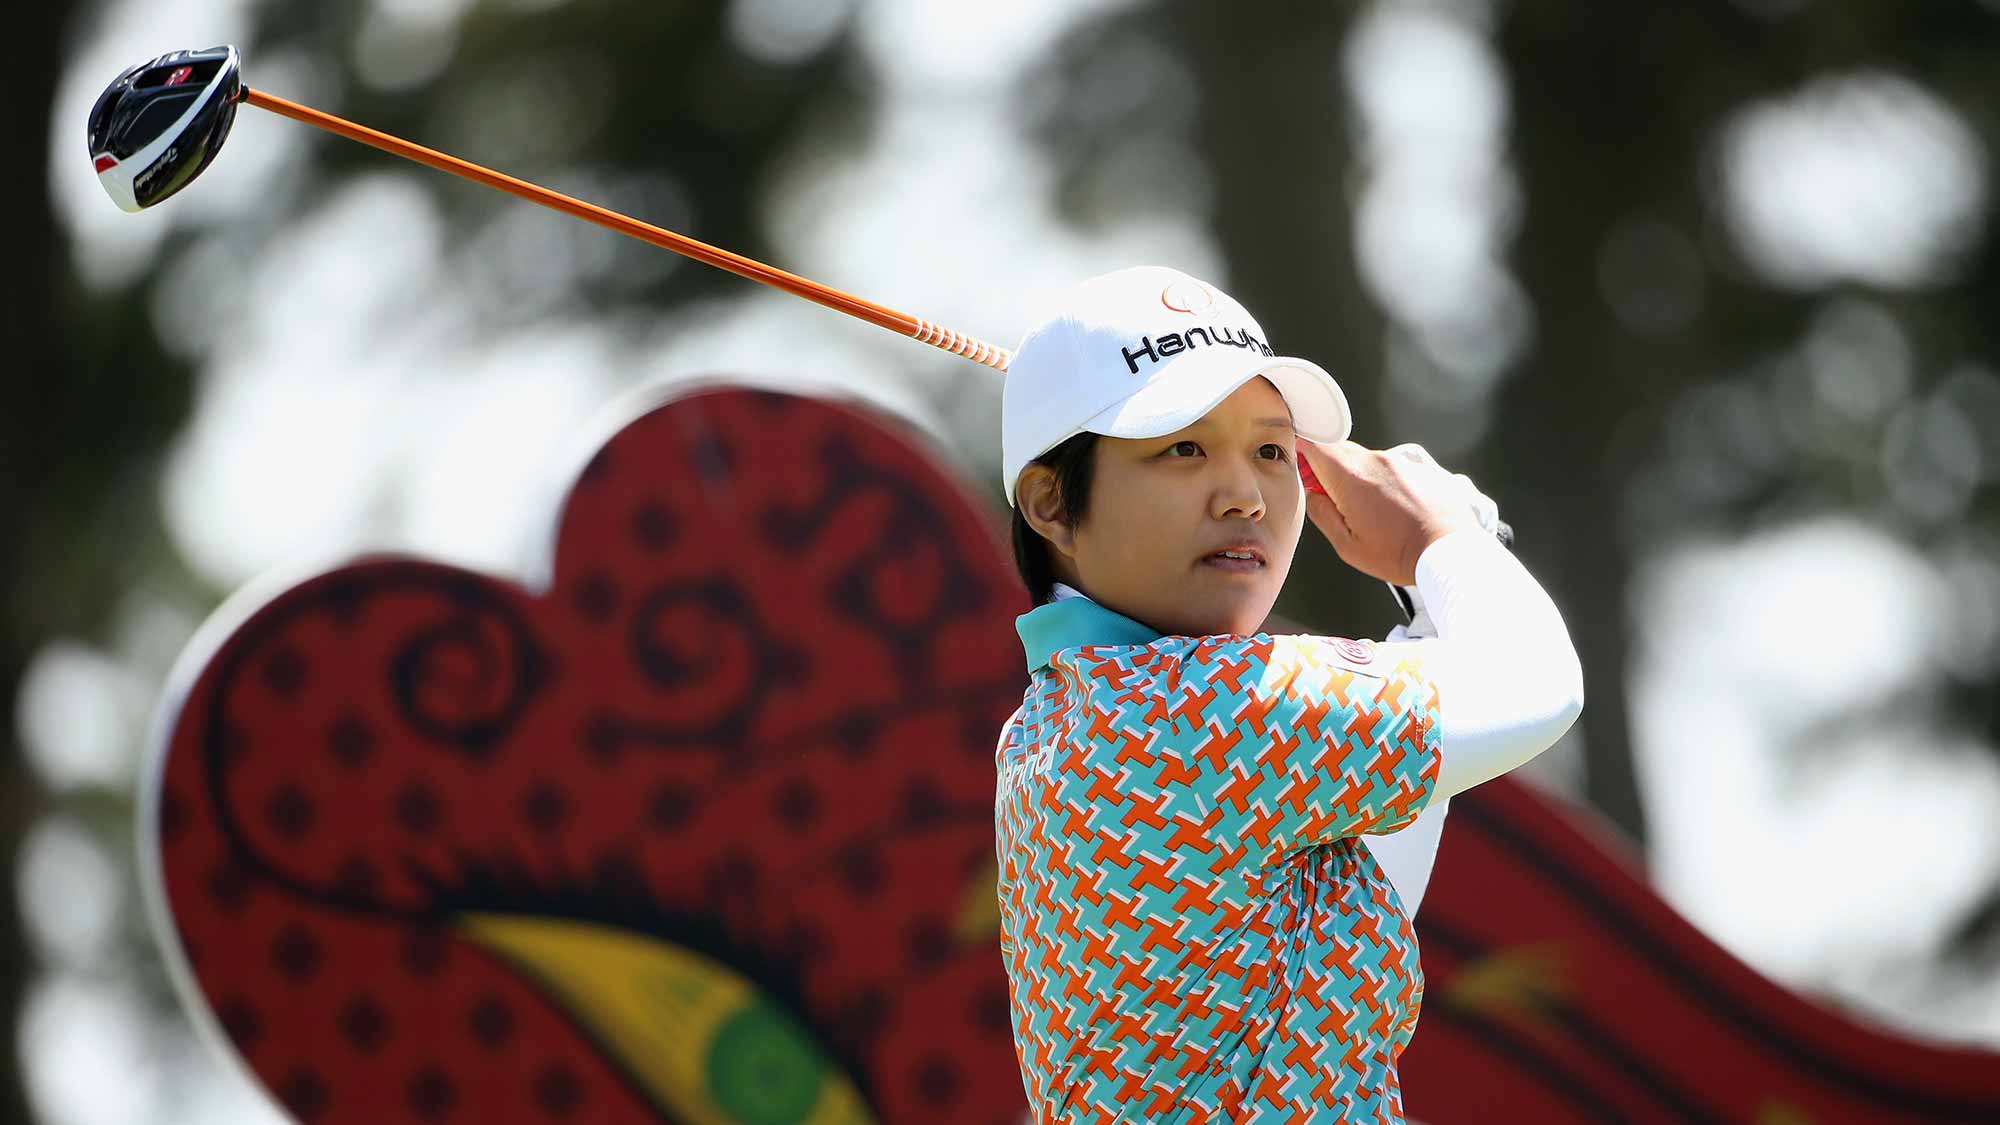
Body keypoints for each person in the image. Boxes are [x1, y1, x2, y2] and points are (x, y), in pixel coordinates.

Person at [993, 266, 1583, 1123]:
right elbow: (1540, 685)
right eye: (1183, 448)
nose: (1245, 496)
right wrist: (1445, 542)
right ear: (1051, 501)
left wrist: (1434, 601)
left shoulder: (1046, 726)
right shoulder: (1210, 709)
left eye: (1272, 450)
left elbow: (1349, 896)